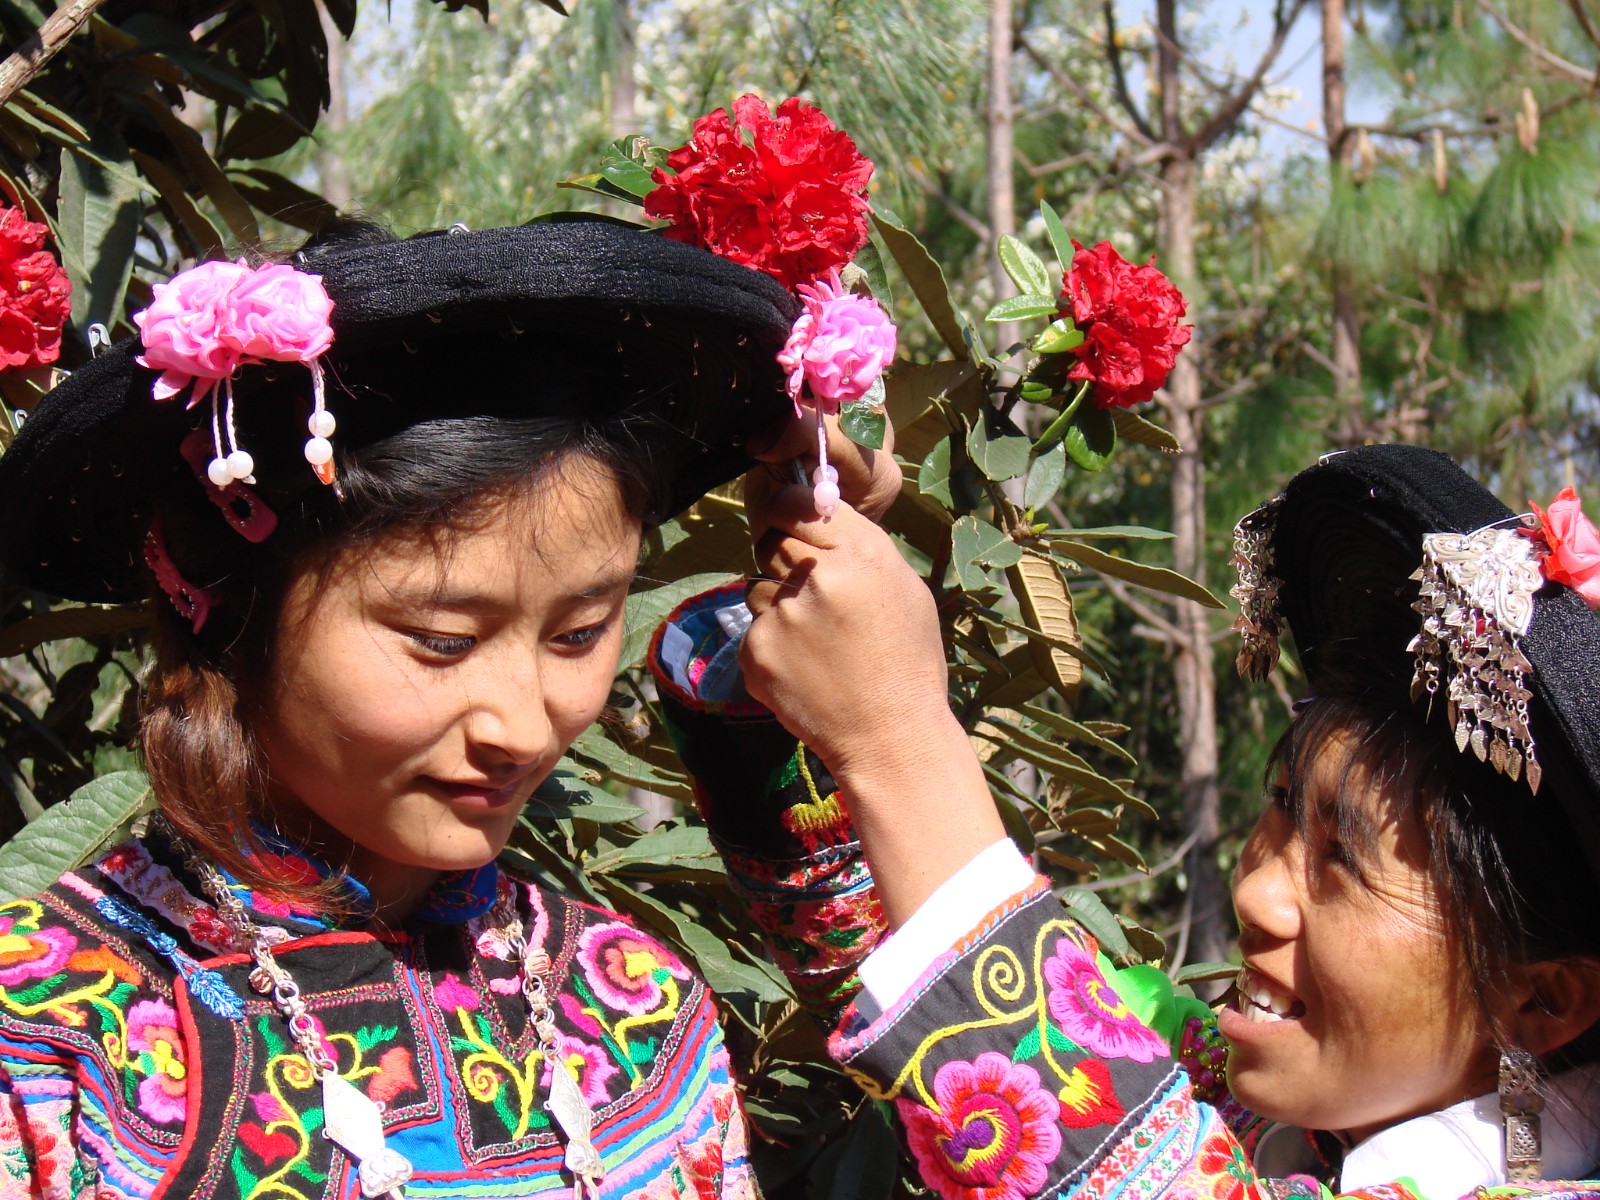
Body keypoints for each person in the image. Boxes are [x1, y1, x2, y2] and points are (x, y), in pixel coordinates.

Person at [0, 215, 919, 1200]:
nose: (523, 728)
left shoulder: (636, 1008)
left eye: (578, 633)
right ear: (228, 611)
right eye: (441, 642)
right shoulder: (49, 1038)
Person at [674, 441, 1599, 1200]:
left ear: (1542, 1000)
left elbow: (1116, 1157)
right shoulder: (1246, 1106)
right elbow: (894, 957)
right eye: (1283, 814)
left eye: (1343, 863)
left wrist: (896, 734)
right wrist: (826, 593)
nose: (1256, 891)